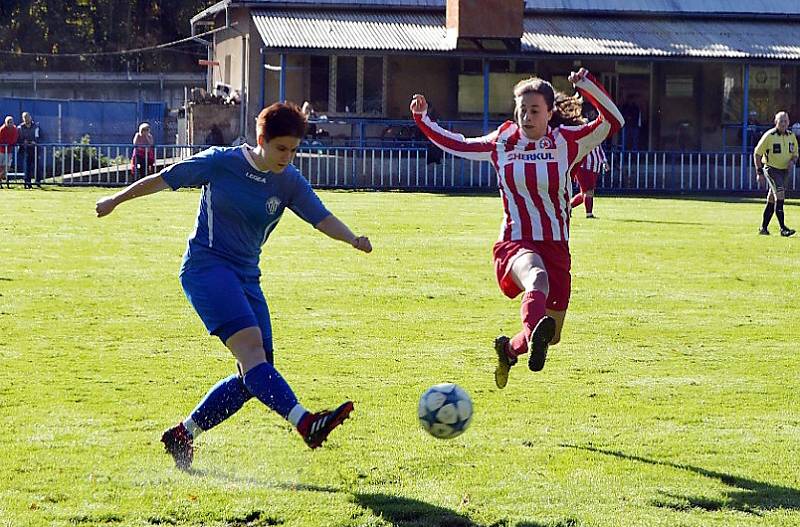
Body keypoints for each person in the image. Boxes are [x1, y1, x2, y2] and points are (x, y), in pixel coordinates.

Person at [95, 102, 373, 470]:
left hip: (246, 276)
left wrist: (353, 239)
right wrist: (116, 199)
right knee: (254, 358)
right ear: (261, 140)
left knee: (256, 375)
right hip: (207, 268)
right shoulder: (221, 162)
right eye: (280, 148)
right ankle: (307, 424)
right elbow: (165, 178)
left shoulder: (289, 180)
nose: (287, 157)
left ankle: (183, 434)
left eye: (293, 149)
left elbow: (320, 218)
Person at [410, 68, 623, 388]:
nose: (526, 116)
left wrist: (587, 85)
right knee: (536, 278)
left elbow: (612, 122)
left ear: (550, 113)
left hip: (557, 246)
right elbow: (460, 145)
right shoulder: (503, 141)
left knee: (552, 336)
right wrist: (423, 119)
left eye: (534, 110)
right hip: (515, 242)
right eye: (522, 109)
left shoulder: (567, 142)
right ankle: (527, 335)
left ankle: (510, 350)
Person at [754, 111, 797, 237]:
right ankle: (783, 228)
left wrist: (792, 161)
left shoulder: (791, 136)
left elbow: (795, 154)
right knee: (780, 194)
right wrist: (759, 172)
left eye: (785, 121)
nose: (783, 123)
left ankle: (763, 228)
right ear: (776, 122)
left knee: (772, 198)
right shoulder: (769, 136)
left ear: (789, 122)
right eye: (781, 121)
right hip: (771, 169)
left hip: (784, 171)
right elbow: (757, 154)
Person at [571, 144, 609, 218]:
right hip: (582, 166)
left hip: (595, 166)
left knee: (584, 193)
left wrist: (605, 161)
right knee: (588, 191)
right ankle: (589, 214)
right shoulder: (581, 135)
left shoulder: (597, 136)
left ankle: (567, 207)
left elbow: (599, 149)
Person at [17, 112, 40, 189]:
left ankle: (38, 182)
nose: (26, 119)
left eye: (27, 117)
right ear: (23, 118)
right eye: (24, 117)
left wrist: (35, 141)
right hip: (25, 149)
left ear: (30, 117)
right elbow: (18, 138)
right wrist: (22, 142)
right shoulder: (20, 127)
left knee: (37, 166)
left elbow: (39, 136)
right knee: (27, 167)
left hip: (35, 149)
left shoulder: (36, 126)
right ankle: (27, 183)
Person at [0, 116, 18, 188]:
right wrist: (5, 143)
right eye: (8, 122)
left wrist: (9, 143)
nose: (10, 124)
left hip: (9, 151)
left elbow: (14, 139)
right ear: (5, 123)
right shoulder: (2, 129)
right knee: (0, 167)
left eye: (11, 122)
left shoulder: (15, 129)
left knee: (7, 167)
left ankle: (1, 178)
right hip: (1, 151)